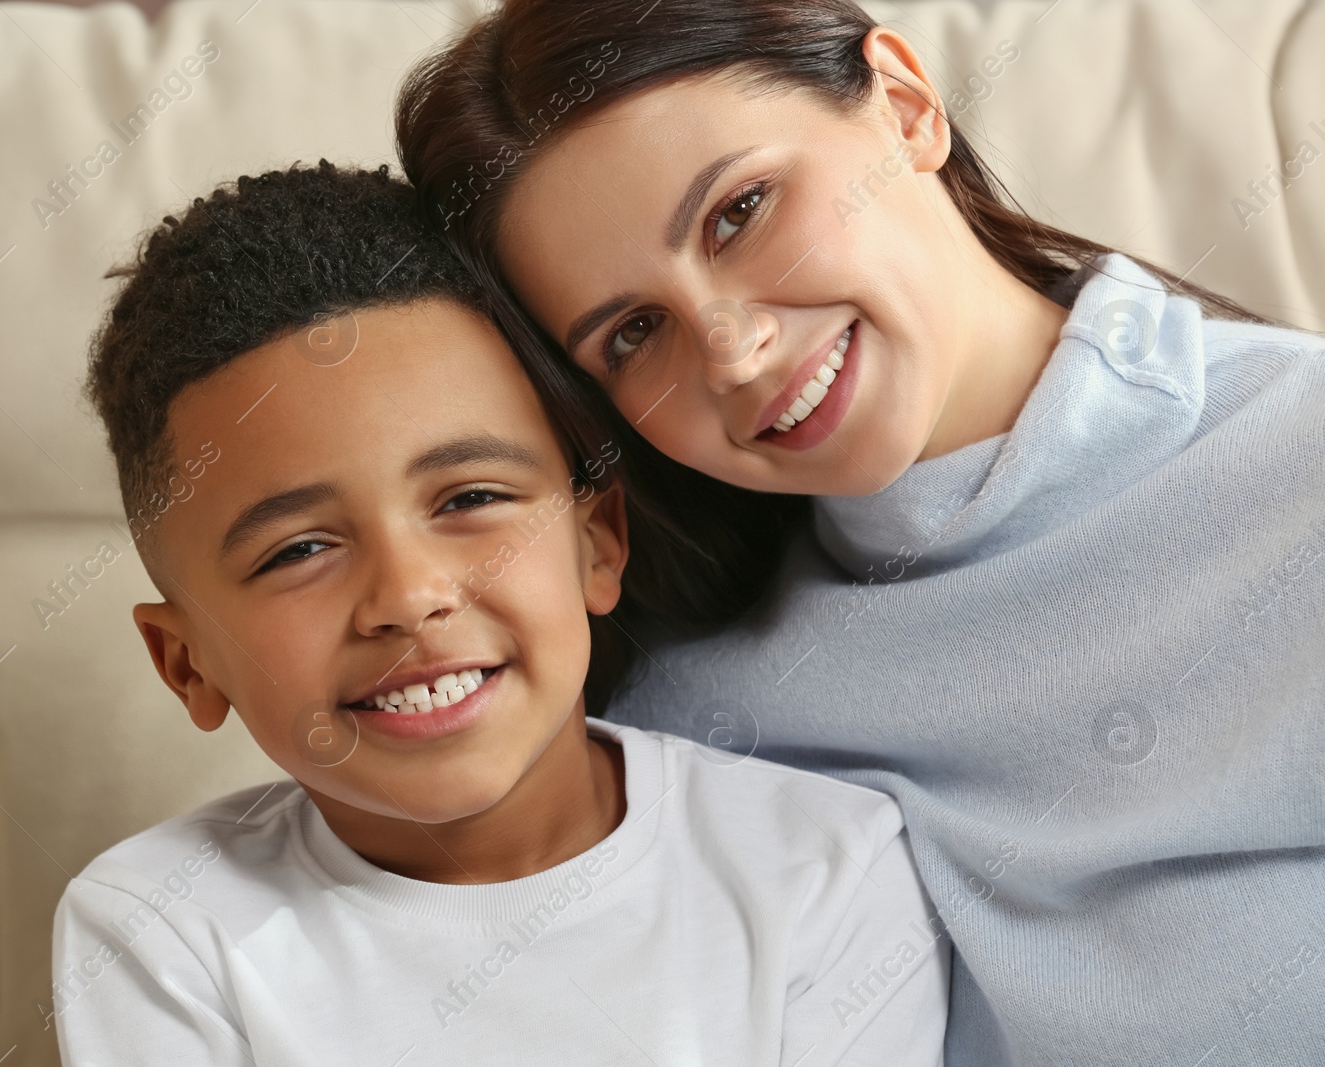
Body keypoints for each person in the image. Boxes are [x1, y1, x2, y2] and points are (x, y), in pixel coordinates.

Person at [394, 2, 1325, 1065]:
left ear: (906, 103)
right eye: (633, 332)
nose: (733, 352)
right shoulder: (664, 692)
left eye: (739, 211)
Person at [51, 162, 949, 1065]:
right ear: (188, 664)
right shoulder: (158, 927)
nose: (408, 597)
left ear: (596, 542)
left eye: (469, 497)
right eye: (298, 551)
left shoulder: (825, 868)